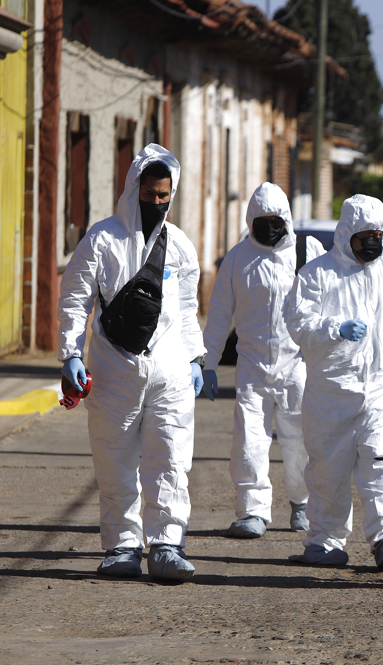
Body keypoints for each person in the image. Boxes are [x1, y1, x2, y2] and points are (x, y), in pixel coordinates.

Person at [57, 144, 205, 582]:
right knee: (114, 457)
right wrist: (71, 354)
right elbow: (74, 300)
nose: (156, 203)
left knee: (171, 457)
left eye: (164, 196)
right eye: (149, 194)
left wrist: (195, 357)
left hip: (171, 371)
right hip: (113, 368)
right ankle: (122, 545)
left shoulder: (179, 246)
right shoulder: (102, 240)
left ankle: (166, 544)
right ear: (132, 189)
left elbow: (187, 307)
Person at [284, 194, 383, 569]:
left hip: (376, 390)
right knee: (328, 473)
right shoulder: (316, 274)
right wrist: (334, 329)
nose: (373, 243)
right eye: (365, 236)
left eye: (379, 234)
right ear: (346, 234)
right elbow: (298, 323)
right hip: (330, 394)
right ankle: (325, 542)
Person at [201, 182, 324, 539]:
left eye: (275, 219)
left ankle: (302, 504)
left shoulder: (307, 250)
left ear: (286, 217)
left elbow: (326, 304)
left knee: (300, 439)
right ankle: (252, 511)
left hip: (298, 363)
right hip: (252, 365)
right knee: (249, 440)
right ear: (251, 219)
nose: (269, 226)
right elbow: (220, 314)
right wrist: (208, 364)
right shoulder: (239, 258)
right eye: (262, 220)